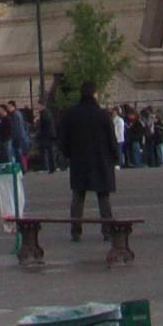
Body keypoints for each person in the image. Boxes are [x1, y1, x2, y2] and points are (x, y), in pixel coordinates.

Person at [58, 79, 119, 242]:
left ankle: (75, 230)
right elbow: (111, 139)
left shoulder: (71, 114)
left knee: (78, 196)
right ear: (94, 94)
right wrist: (115, 157)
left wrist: (69, 154)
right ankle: (107, 229)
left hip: (79, 161)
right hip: (101, 159)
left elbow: (63, 140)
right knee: (103, 196)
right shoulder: (102, 115)